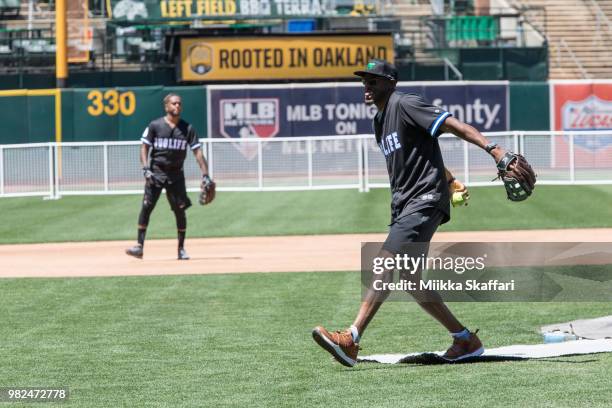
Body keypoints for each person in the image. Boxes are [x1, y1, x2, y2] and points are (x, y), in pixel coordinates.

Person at [312, 59, 512, 367]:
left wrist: (494, 149)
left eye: (374, 80)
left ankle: (352, 338)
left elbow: (452, 125)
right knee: (411, 277)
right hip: (406, 203)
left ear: (390, 82)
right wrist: (449, 177)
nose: (367, 85)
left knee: (385, 261)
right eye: (364, 80)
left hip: (424, 200)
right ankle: (464, 340)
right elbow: (418, 152)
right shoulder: (379, 122)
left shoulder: (405, 103)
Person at [125, 93, 214, 260]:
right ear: (166, 107)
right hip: (156, 172)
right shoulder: (155, 125)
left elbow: (198, 153)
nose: (177, 106)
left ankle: (181, 249)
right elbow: (144, 147)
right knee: (147, 207)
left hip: (176, 175)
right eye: (174, 104)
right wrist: (145, 169)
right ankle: (139, 246)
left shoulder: (187, 129)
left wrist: (206, 175)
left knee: (180, 211)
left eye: (179, 103)